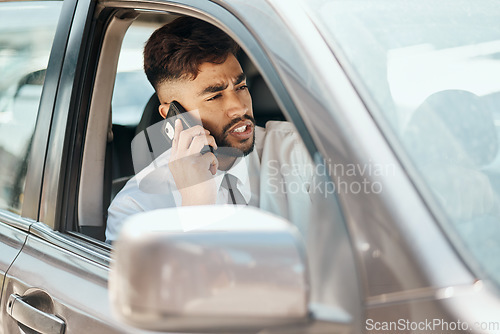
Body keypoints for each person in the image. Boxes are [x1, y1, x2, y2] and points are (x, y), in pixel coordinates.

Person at [106, 17, 313, 242]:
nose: (240, 107)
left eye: (241, 87)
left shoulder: (303, 150)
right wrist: (196, 208)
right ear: (173, 116)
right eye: (215, 96)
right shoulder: (137, 208)